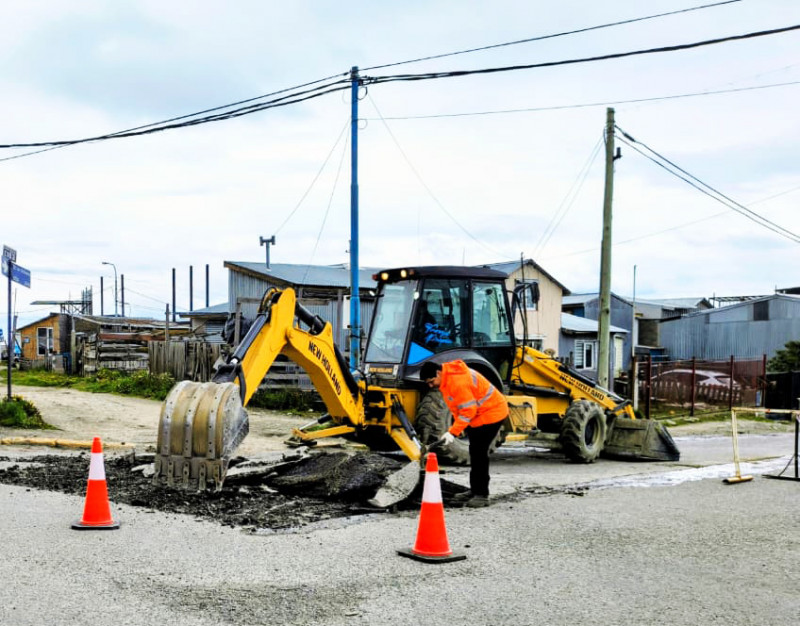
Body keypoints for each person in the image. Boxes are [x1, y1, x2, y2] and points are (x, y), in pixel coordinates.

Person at [419, 359, 508, 508]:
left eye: (431, 381)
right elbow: (458, 406)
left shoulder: (457, 381)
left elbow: (468, 410)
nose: (430, 385)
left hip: (492, 413)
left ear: (438, 373)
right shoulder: (446, 379)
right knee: (475, 452)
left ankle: (481, 495)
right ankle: (474, 490)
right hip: (479, 415)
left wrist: (452, 432)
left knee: (479, 453)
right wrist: (458, 428)